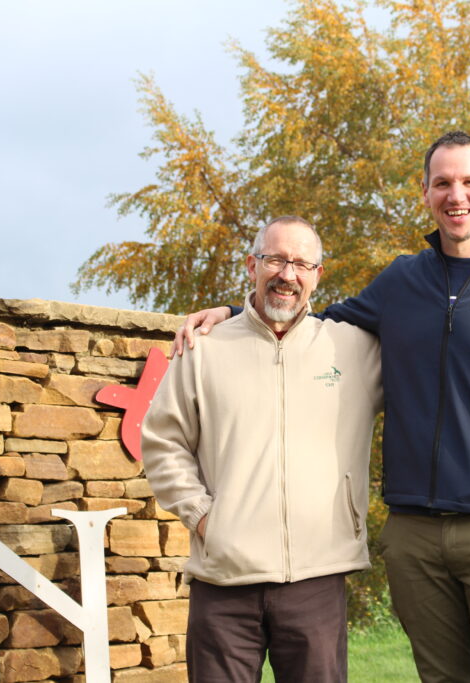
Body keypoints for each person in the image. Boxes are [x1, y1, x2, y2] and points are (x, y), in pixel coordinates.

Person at [171, 131, 470, 682]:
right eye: (442, 182)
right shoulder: (403, 280)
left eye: (469, 181)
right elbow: (315, 324)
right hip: (414, 533)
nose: (456, 195)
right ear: (425, 192)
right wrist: (238, 310)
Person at [141, 216, 382, 683]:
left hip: (319, 576)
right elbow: (163, 440)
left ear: (318, 274)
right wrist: (205, 517)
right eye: (275, 259)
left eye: (301, 263)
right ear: (252, 265)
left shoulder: (353, 348)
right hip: (224, 581)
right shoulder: (204, 347)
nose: (287, 274)